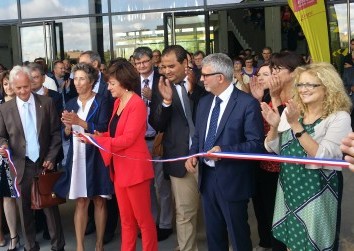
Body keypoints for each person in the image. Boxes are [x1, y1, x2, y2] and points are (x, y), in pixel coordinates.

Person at [261, 62, 352, 251]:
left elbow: (323, 157)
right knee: (292, 243)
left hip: (316, 191)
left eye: (310, 85)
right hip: (289, 189)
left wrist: (296, 125)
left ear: (328, 87)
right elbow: (275, 149)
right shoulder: (293, 111)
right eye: (301, 84)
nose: (303, 89)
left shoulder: (339, 117)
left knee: (315, 244)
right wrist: (274, 126)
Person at [185, 53, 264, 251]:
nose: (201, 79)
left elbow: (256, 144)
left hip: (233, 180)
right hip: (207, 179)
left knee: (238, 237)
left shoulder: (247, 103)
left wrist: (224, 151)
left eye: (205, 75)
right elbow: (198, 137)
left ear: (220, 77)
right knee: (214, 237)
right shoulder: (204, 103)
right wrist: (193, 154)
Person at [84, 58, 157, 250]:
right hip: (120, 170)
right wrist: (96, 135)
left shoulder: (136, 104)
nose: (108, 87)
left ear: (124, 83)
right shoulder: (118, 103)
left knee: (144, 221)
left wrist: (97, 140)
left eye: (112, 83)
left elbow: (128, 139)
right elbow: (115, 134)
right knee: (126, 220)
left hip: (135, 171)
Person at [0, 65, 65, 251]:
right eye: (18, 88)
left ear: (31, 83)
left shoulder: (47, 103)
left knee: (50, 207)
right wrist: (3, 145)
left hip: (44, 163)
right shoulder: (5, 109)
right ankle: (30, 246)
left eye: (25, 87)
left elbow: (55, 134)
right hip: (21, 165)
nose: (22, 91)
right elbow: (1, 135)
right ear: (12, 86)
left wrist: (52, 157)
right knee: (25, 210)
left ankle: (58, 246)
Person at [149, 45, 206, 251]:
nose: (167, 71)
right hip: (179, 159)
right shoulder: (161, 86)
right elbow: (157, 123)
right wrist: (165, 101)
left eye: (171, 66)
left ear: (185, 63)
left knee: (215, 211)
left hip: (207, 157)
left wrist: (193, 92)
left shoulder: (202, 83)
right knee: (184, 212)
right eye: (163, 66)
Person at [54, 63, 113, 251]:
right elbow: (65, 134)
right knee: (80, 200)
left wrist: (79, 121)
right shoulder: (71, 103)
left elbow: (103, 128)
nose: (77, 83)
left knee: (99, 200)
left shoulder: (103, 101)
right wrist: (68, 127)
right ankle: (80, 246)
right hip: (77, 156)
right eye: (75, 78)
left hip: (96, 155)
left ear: (92, 81)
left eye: (82, 79)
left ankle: (98, 243)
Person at [133, 46, 173, 241]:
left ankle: (165, 224)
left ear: (152, 61)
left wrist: (153, 97)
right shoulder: (132, 82)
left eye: (145, 61)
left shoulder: (162, 79)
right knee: (146, 186)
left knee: (161, 185)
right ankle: (151, 223)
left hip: (158, 139)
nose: (142, 65)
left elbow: (168, 106)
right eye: (138, 62)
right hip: (138, 142)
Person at [78, 50, 117, 244]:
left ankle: (108, 230)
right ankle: (93, 223)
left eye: (84, 64)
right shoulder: (76, 88)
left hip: (106, 145)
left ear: (94, 65)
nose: (78, 81)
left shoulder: (108, 84)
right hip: (83, 151)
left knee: (106, 193)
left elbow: (107, 122)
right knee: (87, 192)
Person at [0, 70, 18, 251]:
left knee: (29, 195)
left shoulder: (25, 103)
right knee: (8, 197)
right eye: (4, 84)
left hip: (24, 157)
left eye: (10, 83)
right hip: (4, 158)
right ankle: (13, 235)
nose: (8, 87)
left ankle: (32, 231)